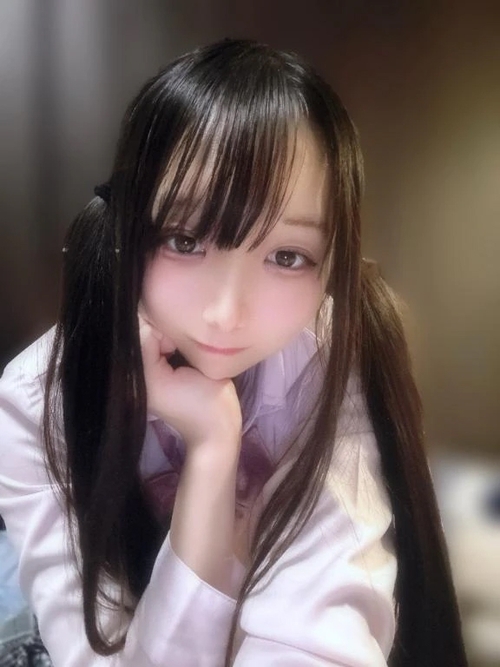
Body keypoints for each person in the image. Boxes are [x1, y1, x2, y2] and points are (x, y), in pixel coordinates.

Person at [0, 38, 467, 666]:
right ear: (127, 228)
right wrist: (211, 451)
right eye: (185, 240)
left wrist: (213, 444)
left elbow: (319, 630)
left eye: (287, 256)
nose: (226, 313)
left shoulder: (328, 359)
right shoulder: (35, 401)